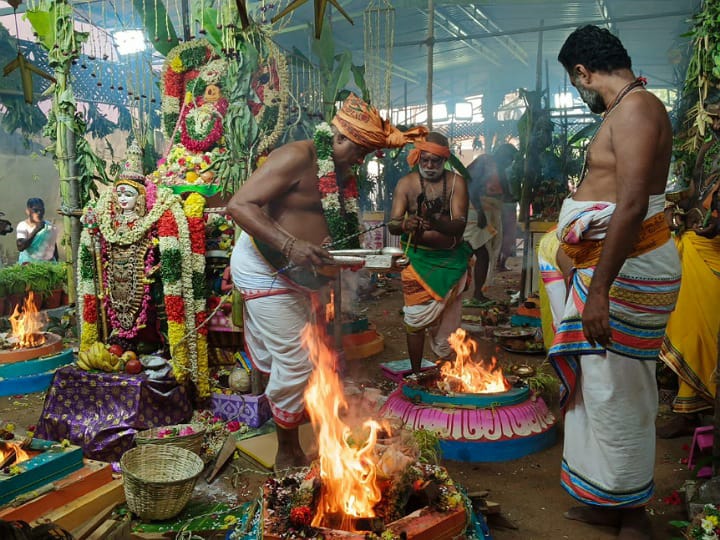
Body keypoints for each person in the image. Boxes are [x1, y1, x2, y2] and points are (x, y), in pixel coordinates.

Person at [227, 93, 426, 472]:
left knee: (307, 358)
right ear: (339, 138)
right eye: (361, 151)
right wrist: (290, 245)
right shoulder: (296, 157)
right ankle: (286, 449)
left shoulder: (341, 171)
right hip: (266, 267)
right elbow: (239, 205)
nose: (362, 160)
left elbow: (328, 231)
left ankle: (294, 416)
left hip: (302, 276)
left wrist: (368, 260)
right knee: (299, 361)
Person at [540, 25, 681, 539]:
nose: (578, 93)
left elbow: (634, 204)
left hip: (626, 272)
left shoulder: (638, 108)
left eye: (574, 83)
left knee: (621, 394)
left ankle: (633, 511)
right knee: (597, 393)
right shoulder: (627, 109)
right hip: (608, 268)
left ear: (582, 72)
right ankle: (605, 497)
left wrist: (598, 289)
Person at [656, 104, 720, 439]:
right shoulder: (708, 149)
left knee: (699, 330)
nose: (715, 123)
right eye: (713, 117)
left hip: (712, 254)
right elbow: (696, 193)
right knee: (684, 325)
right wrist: (678, 209)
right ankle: (685, 409)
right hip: (696, 248)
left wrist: (699, 220)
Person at [387, 132, 471, 375]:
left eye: (435, 161)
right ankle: (415, 374)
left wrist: (434, 221)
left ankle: (448, 375)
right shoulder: (406, 183)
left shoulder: (457, 182)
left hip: (451, 261)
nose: (430, 166)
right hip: (416, 262)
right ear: (418, 158)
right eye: (425, 160)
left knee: (450, 322)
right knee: (414, 320)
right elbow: (393, 223)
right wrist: (405, 225)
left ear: (444, 160)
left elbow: (460, 225)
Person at [462, 143, 518, 307]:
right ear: (501, 154)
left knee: (478, 252)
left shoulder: (498, 168)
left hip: (489, 213)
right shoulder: (484, 162)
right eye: (509, 158)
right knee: (474, 252)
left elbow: (506, 194)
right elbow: (470, 187)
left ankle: (475, 293)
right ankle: (473, 293)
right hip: (477, 212)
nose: (510, 162)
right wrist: (479, 212)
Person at [16, 198, 58, 263]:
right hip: (28, 265)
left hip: (47, 265)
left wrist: (56, 263)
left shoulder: (49, 226)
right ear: (28, 211)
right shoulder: (22, 225)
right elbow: (20, 247)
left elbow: (53, 247)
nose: (39, 213)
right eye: (35, 210)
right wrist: (36, 229)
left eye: (42, 210)